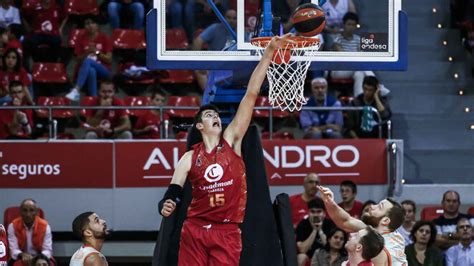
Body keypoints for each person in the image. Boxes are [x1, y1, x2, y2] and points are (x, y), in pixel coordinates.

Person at [158, 34, 293, 266]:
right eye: (210, 115)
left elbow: (251, 94)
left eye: (217, 115)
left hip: (227, 230)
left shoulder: (232, 141)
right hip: (195, 229)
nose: (216, 117)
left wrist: (269, 54)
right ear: (199, 126)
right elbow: (173, 189)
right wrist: (167, 204)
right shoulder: (190, 158)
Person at [317, 186, 407, 266]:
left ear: (385, 220)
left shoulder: (378, 250)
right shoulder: (386, 232)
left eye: (379, 207)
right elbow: (346, 221)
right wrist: (329, 202)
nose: (372, 206)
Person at [329, 12, 390, 97]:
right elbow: (344, 56)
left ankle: (359, 100)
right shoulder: (337, 39)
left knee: (359, 74)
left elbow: (361, 56)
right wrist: (356, 57)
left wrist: (357, 57)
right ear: (344, 25)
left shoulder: (358, 39)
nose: (350, 27)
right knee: (360, 66)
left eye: (353, 25)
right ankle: (378, 86)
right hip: (339, 70)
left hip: (354, 68)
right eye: (348, 24)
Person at [66, 16, 112, 101]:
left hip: (103, 70)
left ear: (97, 25)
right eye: (87, 23)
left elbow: (109, 59)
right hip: (86, 69)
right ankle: (93, 100)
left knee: (88, 61)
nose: (90, 25)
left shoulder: (104, 38)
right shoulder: (81, 38)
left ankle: (76, 89)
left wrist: (96, 52)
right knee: (91, 71)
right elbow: (78, 60)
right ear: (84, 27)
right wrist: (87, 52)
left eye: (92, 23)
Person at [7, 199, 53, 266]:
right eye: (25, 210)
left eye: (31, 210)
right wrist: (21, 254)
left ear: (37, 212)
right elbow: (13, 249)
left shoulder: (45, 226)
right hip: (21, 257)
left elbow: (48, 250)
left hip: (40, 256)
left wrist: (37, 258)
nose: (28, 214)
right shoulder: (13, 226)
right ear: (20, 211)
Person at [296, 198, 336, 266]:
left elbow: (331, 248)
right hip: (309, 255)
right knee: (301, 257)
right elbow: (302, 250)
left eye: (319, 211)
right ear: (308, 212)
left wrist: (320, 231)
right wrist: (314, 230)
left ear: (324, 213)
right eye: (312, 211)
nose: (316, 215)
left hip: (325, 254)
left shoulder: (330, 224)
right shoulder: (303, 224)